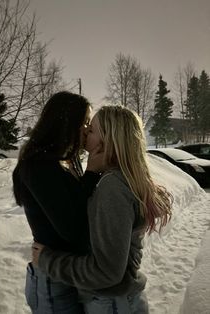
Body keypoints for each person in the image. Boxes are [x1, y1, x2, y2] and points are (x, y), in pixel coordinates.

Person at [32, 105, 173, 314]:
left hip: (112, 304)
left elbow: (107, 272)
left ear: (109, 139)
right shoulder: (116, 179)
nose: (86, 131)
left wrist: (47, 260)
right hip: (117, 301)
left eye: (92, 129)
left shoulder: (113, 187)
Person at [12, 91, 103, 314]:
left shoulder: (62, 162)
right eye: (83, 122)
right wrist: (91, 174)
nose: (87, 130)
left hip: (66, 271)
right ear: (65, 123)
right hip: (53, 280)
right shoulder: (38, 166)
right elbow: (71, 229)